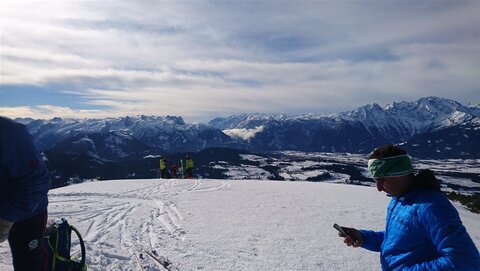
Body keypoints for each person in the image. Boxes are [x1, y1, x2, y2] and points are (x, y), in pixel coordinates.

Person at [337, 144, 480, 270]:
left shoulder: (431, 207)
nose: (379, 188)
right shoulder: (400, 200)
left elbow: (465, 262)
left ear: (400, 173)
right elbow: (398, 242)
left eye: (381, 180)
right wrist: (363, 238)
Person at [0, 116, 51, 271]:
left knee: (28, 264)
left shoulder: (9, 132)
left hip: (28, 213)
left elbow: (37, 180)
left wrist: (6, 218)